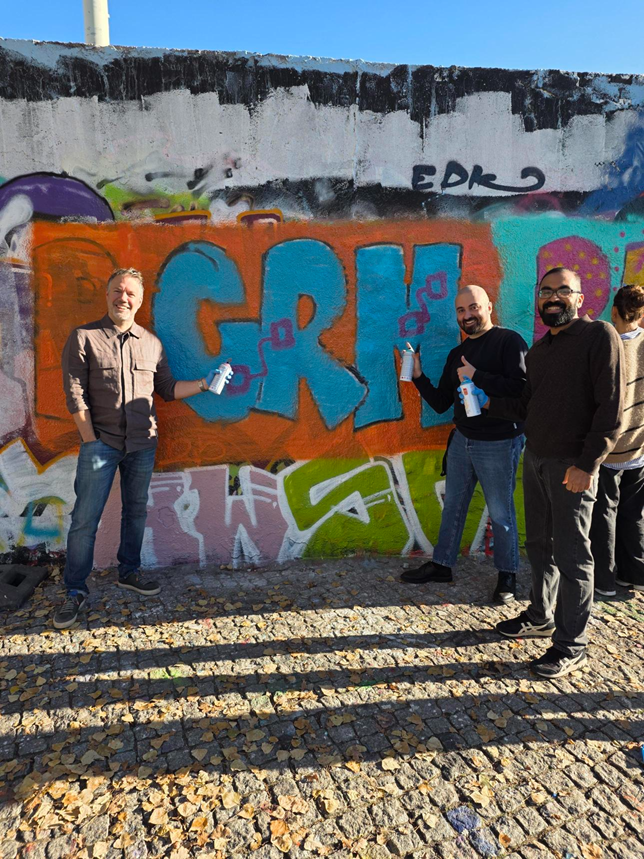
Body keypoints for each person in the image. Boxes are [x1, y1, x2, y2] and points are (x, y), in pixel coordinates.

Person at [469, 267, 624, 678]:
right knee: (539, 545)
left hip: (571, 466)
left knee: (573, 556)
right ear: (538, 300)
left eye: (562, 291)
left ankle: (572, 644)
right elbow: (525, 408)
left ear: (580, 298)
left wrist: (587, 464)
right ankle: (540, 616)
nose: (552, 298)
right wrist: (488, 406)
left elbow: (611, 410)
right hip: (535, 458)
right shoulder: (539, 352)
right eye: (545, 291)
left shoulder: (599, 336)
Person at [54, 267, 229, 629]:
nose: (124, 298)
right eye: (118, 291)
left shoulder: (151, 343)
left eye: (131, 293)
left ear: (140, 300)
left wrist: (205, 385)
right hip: (100, 444)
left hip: (142, 444)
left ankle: (128, 572)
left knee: (135, 512)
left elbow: (165, 389)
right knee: (85, 520)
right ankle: (75, 590)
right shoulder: (84, 337)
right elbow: (75, 394)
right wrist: (90, 439)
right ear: (107, 295)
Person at [400, 285, 528, 604]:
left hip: (498, 442)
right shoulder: (456, 354)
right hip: (462, 440)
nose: (467, 315)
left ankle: (507, 576)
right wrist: (417, 376)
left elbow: (522, 390)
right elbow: (443, 402)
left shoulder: (508, 342)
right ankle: (442, 565)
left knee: (501, 513)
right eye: (461, 310)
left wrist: (477, 375)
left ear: (489, 306)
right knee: (453, 507)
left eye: (473, 307)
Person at [590, 284, 644, 596]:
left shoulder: (608, 347)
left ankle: (605, 580)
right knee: (633, 513)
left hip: (610, 450)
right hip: (639, 446)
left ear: (614, 311)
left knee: (604, 515)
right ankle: (635, 573)